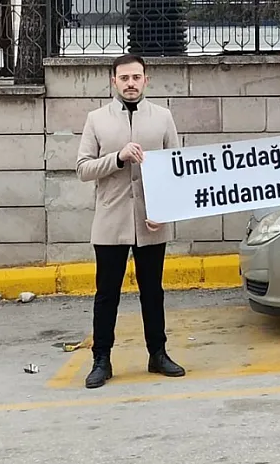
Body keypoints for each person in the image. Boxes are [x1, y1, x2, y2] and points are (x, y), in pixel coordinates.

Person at [76, 53, 185, 389]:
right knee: (106, 293)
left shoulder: (163, 117)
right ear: (114, 81)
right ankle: (101, 359)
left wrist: (163, 211)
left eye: (136, 77)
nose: (131, 84)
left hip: (151, 221)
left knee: (153, 291)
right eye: (124, 78)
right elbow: (83, 168)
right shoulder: (97, 119)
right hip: (111, 220)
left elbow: (175, 168)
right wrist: (118, 158)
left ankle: (158, 353)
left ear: (146, 80)